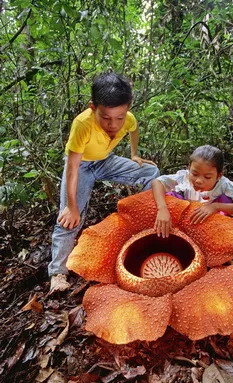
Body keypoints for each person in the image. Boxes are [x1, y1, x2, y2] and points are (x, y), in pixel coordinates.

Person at [49, 71, 159, 293]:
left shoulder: (128, 119)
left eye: (119, 117)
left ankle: (142, 221)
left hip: (105, 161)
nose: (113, 124)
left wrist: (134, 154)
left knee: (151, 171)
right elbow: (71, 169)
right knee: (69, 220)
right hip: (81, 167)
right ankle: (58, 272)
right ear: (93, 107)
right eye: (106, 117)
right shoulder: (82, 124)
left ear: (128, 108)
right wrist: (71, 207)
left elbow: (133, 129)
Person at [152, 145, 233, 238]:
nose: (199, 181)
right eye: (195, 174)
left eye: (207, 177)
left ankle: (218, 237)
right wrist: (162, 209)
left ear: (219, 176)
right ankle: (168, 231)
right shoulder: (184, 177)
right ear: (189, 168)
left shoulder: (224, 185)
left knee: (226, 200)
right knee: (170, 196)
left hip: (213, 225)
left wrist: (216, 206)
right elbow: (157, 182)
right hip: (183, 221)